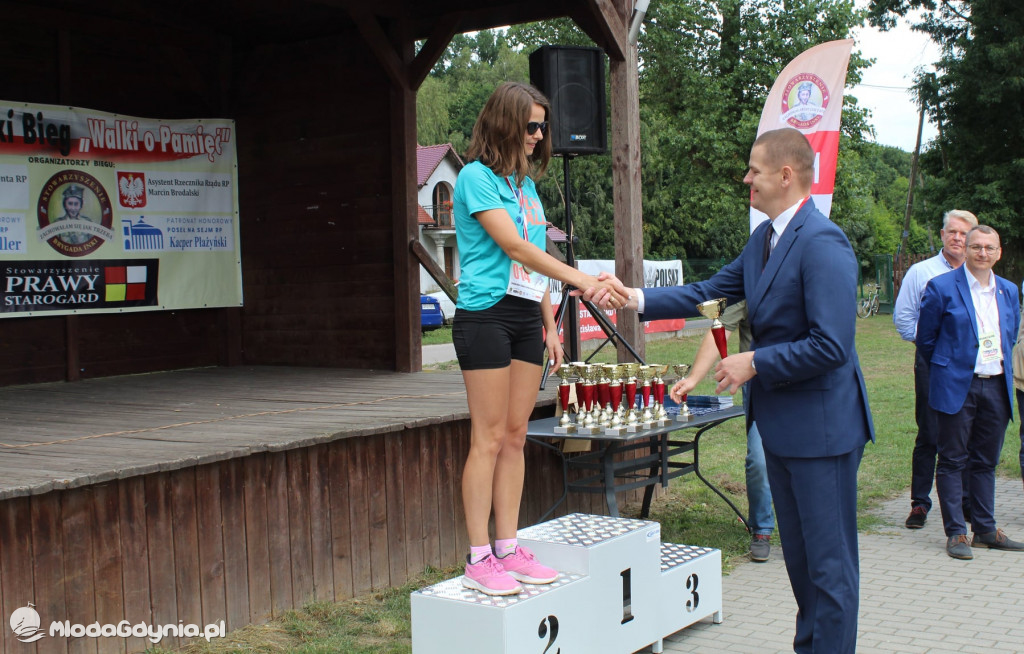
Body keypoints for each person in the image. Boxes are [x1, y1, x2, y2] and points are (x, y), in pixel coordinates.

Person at [584, 128, 874, 654]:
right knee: (803, 567)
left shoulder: (823, 242)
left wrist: (755, 361)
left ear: (785, 175)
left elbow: (831, 346)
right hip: (782, 429)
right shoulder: (763, 242)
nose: (747, 179)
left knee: (830, 571)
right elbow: (706, 292)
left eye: (754, 170)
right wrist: (634, 297)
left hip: (824, 432)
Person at [451, 81, 627, 596]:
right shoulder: (475, 179)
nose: (539, 135)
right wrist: (585, 281)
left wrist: (551, 324)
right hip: (484, 316)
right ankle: (478, 555)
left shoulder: (526, 189)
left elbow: (532, 266)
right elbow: (515, 248)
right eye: (531, 126)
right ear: (505, 123)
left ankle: (508, 547)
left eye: (542, 126)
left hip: (527, 316)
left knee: (514, 436)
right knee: (485, 438)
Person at [916, 225, 1024, 560]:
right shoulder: (942, 287)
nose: (982, 253)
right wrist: (951, 368)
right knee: (952, 460)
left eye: (989, 248)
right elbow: (926, 340)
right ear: (966, 250)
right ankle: (957, 534)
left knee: (985, 461)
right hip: (957, 386)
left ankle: (986, 529)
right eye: (975, 246)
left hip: (996, 385)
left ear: (998, 252)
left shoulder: (1007, 290)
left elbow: (1011, 333)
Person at [669, 300, 775, 562]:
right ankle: (761, 529)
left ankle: (808, 527)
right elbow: (720, 329)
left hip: (802, 382)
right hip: (762, 386)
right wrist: (693, 378)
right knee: (759, 461)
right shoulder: (752, 280)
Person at [893, 210, 978, 529]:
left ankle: (966, 501)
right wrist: (933, 348)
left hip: (971, 365)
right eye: (952, 232)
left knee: (968, 433)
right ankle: (920, 503)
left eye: (964, 233)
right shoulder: (921, 272)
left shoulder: (979, 273)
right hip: (932, 363)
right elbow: (903, 319)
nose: (958, 238)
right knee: (929, 432)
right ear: (942, 235)